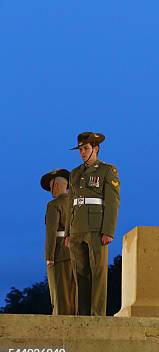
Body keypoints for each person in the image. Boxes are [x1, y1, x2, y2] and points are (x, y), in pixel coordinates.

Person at [64, 132, 120, 316]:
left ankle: (97, 316)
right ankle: (83, 316)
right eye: (80, 149)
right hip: (76, 229)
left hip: (96, 229)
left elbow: (112, 202)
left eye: (85, 149)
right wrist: (67, 233)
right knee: (80, 275)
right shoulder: (74, 173)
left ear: (95, 149)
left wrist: (108, 231)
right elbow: (70, 204)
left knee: (98, 273)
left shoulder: (107, 170)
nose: (82, 152)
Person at [41, 169, 75, 315]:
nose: (51, 190)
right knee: (75, 294)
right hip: (77, 252)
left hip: (59, 253)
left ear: (56, 185)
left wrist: (49, 256)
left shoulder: (53, 205)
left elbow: (51, 232)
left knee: (59, 295)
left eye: (51, 186)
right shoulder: (76, 203)